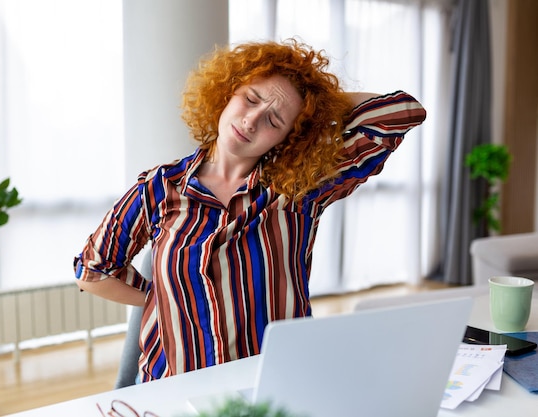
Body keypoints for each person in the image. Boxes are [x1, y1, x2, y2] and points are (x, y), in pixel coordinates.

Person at [74, 39, 427, 383]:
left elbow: (403, 112)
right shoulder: (159, 186)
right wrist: (161, 296)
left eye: (274, 121)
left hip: (274, 384)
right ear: (227, 92)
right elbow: (92, 270)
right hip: (174, 385)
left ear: (289, 137)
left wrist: (319, 108)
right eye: (250, 99)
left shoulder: (300, 191)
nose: (252, 121)